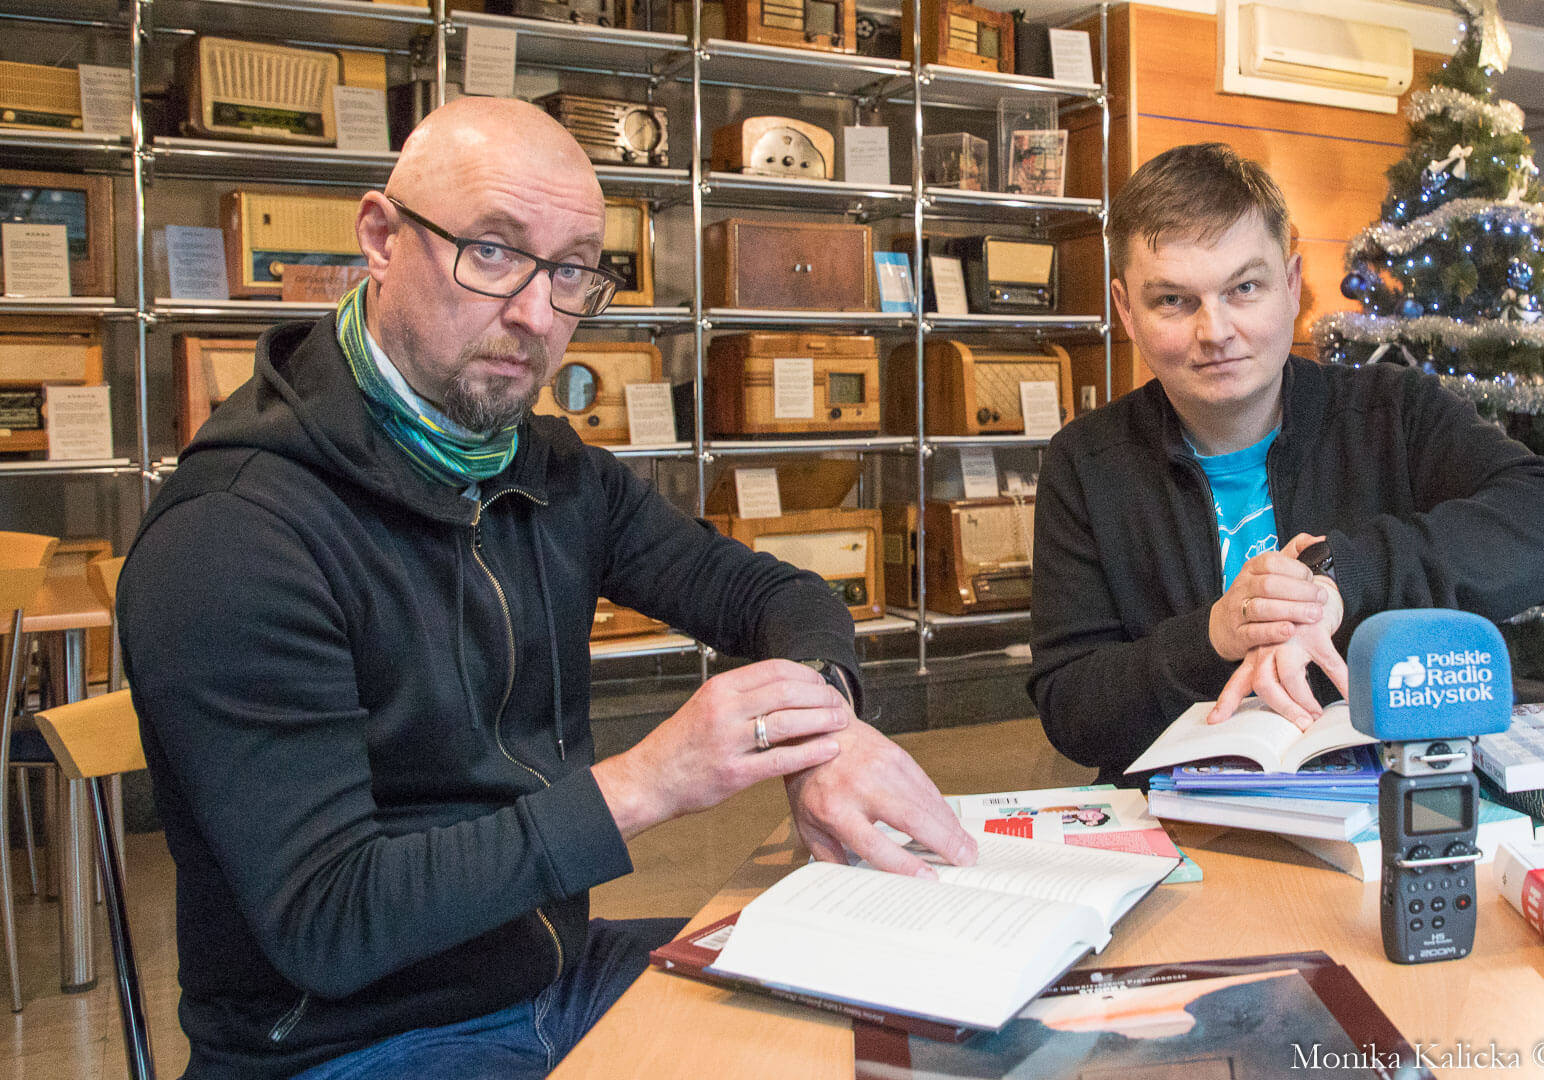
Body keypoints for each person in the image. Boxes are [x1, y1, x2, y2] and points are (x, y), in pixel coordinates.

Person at [118, 97, 974, 1080]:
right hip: (347, 1044)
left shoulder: (544, 467)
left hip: (548, 975)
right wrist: (651, 782)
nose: (534, 314)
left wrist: (824, 725)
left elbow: (772, 596)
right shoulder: (233, 535)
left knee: (918, 1016)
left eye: (570, 271)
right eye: (491, 252)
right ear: (382, 239)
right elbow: (331, 920)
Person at [1028, 143, 1544, 784]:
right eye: (1173, 300)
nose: (1214, 331)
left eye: (1244, 288)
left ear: (1291, 284)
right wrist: (1215, 636)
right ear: (1126, 310)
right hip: (1172, 815)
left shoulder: (1394, 411)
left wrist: (1338, 579)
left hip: (1390, 796)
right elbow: (1072, 709)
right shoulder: (1085, 463)